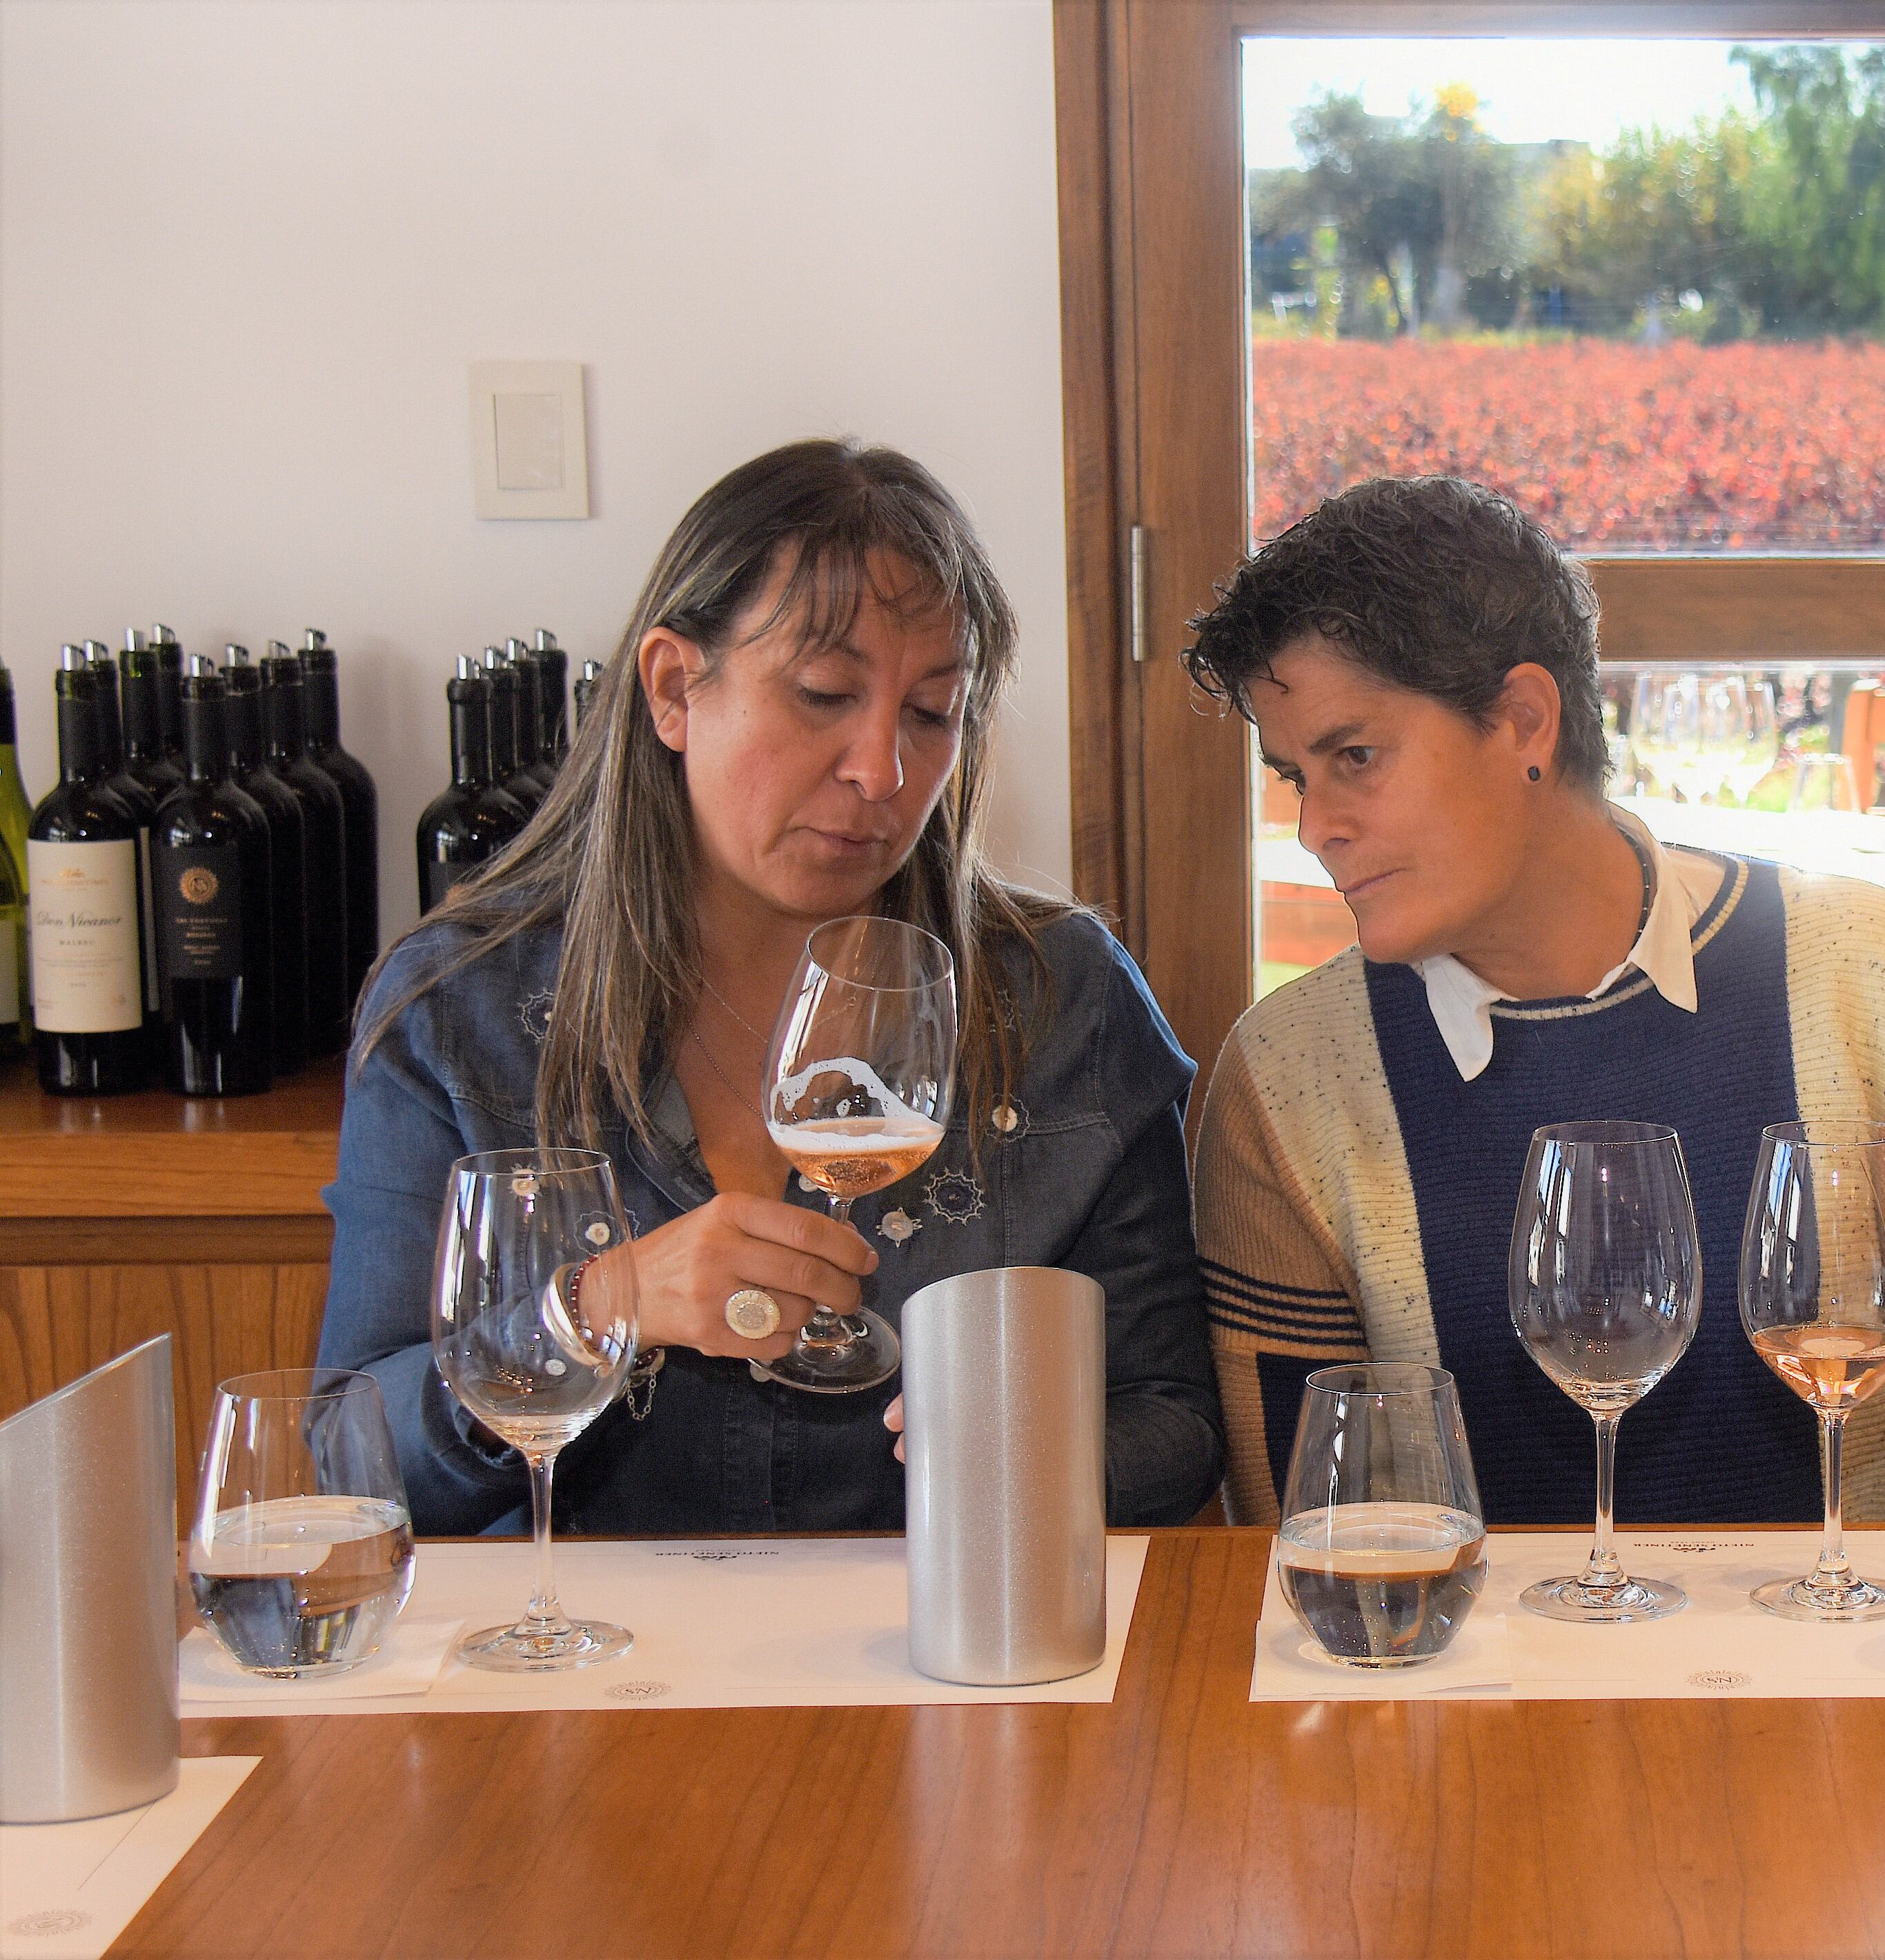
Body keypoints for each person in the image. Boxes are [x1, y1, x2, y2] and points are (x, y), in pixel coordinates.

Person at [319, 440, 1221, 1534]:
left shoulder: (1062, 998)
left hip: (949, 1663)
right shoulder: (458, 1010)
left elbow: (1173, 1422)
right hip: (588, 1681)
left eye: (933, 712)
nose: (882, 771)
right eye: (824, 693)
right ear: (671, 689)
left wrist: (1026, 1465)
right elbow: (348, 1466)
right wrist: (602, 1310)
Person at [1183, 476, 1885, 1527]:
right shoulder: (1284, 1082)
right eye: (1296, 776)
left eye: (1356, 759)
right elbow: (1309, 1533)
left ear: (1524, 721)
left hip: (1849, 1676)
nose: (1314, 826)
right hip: (1462, 1688)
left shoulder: (1878, 975)